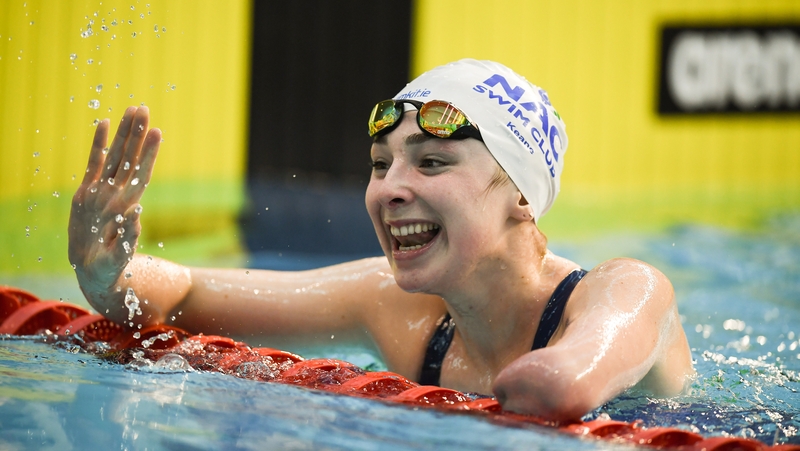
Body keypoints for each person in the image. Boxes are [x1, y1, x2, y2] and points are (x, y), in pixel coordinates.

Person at [68, 59, 694, 421]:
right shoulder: (395, 307)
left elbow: (560, 389)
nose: (387, 190)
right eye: (379, 163)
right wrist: (104, 271)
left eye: (431, 163)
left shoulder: (628, 290)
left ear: (522, 196)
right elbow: (183, 295)